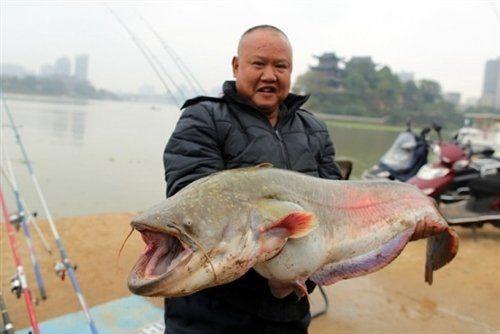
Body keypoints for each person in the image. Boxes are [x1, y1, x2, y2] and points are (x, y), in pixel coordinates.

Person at [163, 25, 342, 334]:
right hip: (210, 314)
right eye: (258, 64)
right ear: (236, 66)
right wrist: (274, 269)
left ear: (290, 71)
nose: (270, 75)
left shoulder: (314, 129)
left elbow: (334, 207)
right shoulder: (202, 118)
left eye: (280, 66)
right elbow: (193, 207)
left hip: (288, 313)